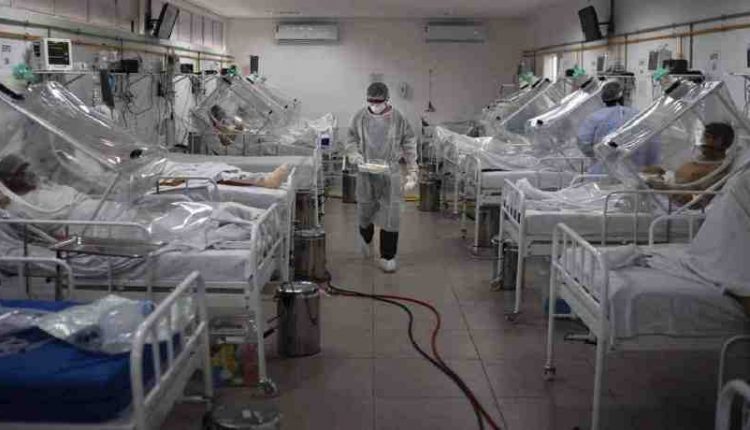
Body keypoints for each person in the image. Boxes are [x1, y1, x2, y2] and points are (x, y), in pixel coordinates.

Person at [345, 82, 418, 273]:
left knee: (391, 213)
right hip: (366, 171)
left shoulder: (398, 118)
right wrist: (355, 156)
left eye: (379, 102)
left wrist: (412, 171)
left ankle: (388, 256)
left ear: (387, 100)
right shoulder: (359, 117)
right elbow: (351, 139)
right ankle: (366, 239)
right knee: (364, 210)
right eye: (371, 101)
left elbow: (409, 144)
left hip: (390, 173)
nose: (375, 105)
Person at [577, 81, 658, 173]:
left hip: (602, 170)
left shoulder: (594, 117)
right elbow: (651, 141)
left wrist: (598, 155)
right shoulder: (636, 115)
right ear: (621, 96)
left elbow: (583, 143)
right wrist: (649, 164)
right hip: (632, 171)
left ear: (603, 98)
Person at [647, 122, 735, 205]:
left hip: (675, 203)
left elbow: (694, 198)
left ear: (722, 143)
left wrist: (665, 188)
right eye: (705, 136)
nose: (704, 141)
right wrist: (662, 174)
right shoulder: (700, 158)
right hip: (667, 189)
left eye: (710, 137)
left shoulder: (717, 171)